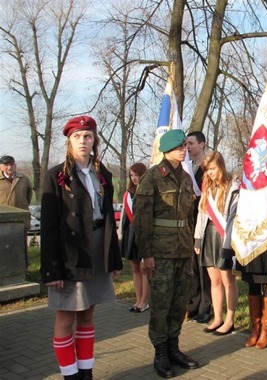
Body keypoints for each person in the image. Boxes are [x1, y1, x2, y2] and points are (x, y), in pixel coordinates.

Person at [39, 115, 122, 380]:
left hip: (97, 248)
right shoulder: (56, 176)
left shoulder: (102, 174)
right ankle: (70, 375)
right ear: (69, 141)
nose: (83, 141)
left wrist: (113, 258)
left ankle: (86, 372)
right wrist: (52, 270)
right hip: (70, 253)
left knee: (88, 313)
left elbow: (108, 219)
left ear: (94, 140)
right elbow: (50, 227)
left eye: (88, 136)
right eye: (77, 136)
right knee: (66, 317)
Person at [134, 129, 199, 378]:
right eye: (180, 146)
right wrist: (146, 254)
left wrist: (191, 246)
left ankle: (174, 347)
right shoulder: (152, 178)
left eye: (185, 146)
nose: (184, 149)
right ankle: (160, 352)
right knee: (161, 303)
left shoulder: (185, 177)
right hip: (160, 252)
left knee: (179, 301)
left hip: (183, 250)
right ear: (167, 149)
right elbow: (142, 220)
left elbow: (188, 217)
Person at [194, 152, 240, 336]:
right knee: (214, 281)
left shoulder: (233, 186)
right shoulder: (207, 188)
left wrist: (231, 242)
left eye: (212, 169)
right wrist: (198, 238)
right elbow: (201, 214)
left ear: (221, 166)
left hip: (225, 237)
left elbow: (234, 216)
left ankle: (230, 319)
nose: (210, 173)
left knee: (228, 280)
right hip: (209, 236)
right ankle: (217, 317)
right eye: (207, 170)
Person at [186, 131, 212, 324]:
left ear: (202, 144)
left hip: (205, 221)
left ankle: (206, 307)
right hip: (189, 221)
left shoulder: (209, 167)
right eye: (186, 144)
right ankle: (193, 304)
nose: (188, 147)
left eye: (191, 143)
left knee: (203, 267)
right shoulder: (188, 167)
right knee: (192, 266)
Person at [120, 162, 149, 313]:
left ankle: (144, 301)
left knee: (145, 269)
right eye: (131, 175)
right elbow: (125, 218)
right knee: (135, 268)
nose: (134, 178)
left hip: (143, 234)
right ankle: (137, 300)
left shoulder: (148, 191)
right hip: (131, 234)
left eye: (136, 175)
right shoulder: (127, 194)